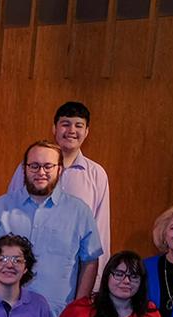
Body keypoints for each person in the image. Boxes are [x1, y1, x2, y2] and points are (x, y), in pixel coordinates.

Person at [0, 140, 102, 317]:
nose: (41, 172)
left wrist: (77, 311)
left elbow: (90, 262)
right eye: (34, 166)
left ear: (60, 169)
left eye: (48, 166)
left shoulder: (80, 212)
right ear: (24, 169)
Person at [7, 101, 110, 281]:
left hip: (70, 274)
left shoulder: (96, 175)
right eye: (65, 124)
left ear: (87, 132)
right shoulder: (28, 167)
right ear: (54, 128)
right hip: (25, 270)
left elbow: (100, 230)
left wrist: (98, 281)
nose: (71, 130)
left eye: (79, 125)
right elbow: (10, 210)